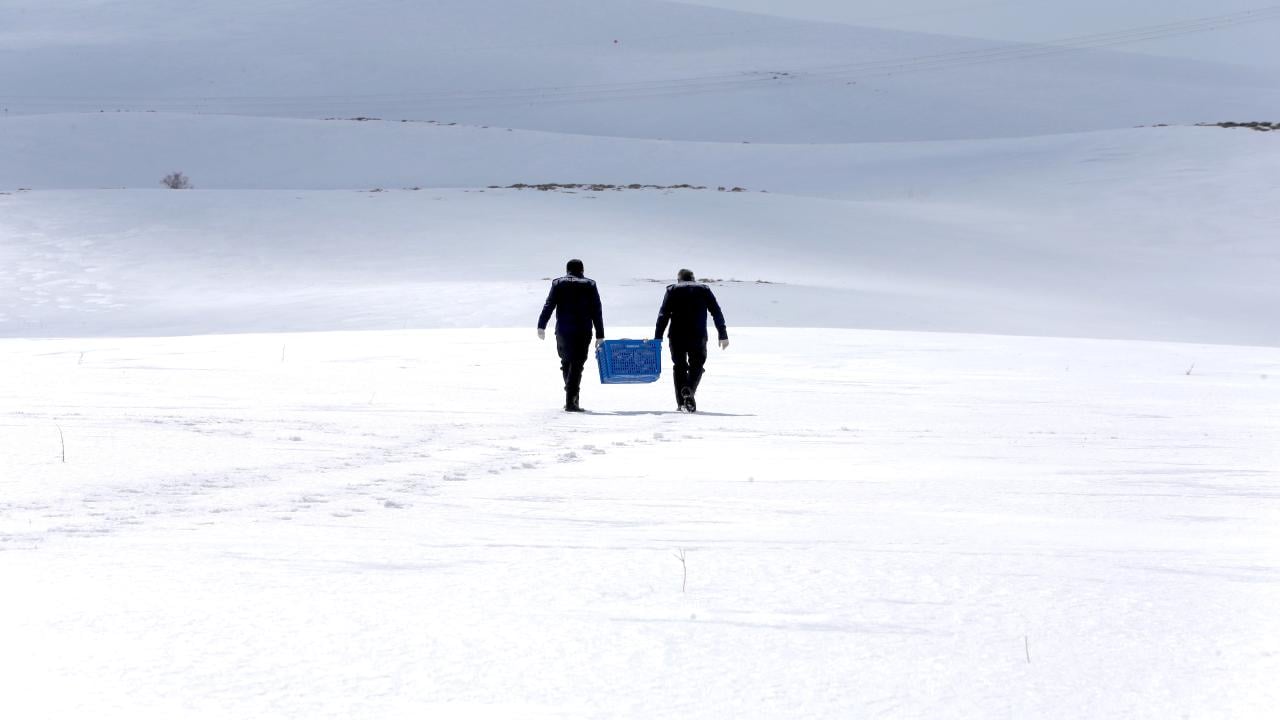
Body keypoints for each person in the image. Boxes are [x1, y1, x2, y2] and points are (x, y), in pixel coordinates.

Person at [653, 269, 728, 412]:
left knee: (679, 366)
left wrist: (658, 337)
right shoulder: (704, 290)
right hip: (698, 336)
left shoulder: (672, 290)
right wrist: (722, 334)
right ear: (693, 279)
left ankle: (681, 403)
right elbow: (716, 311)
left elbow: (663, 315)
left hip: (676, 336)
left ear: (678, 279)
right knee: (697, 365)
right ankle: (689, 390)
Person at [538, 259, 605, 412]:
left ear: (567, 269)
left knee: (566, 362)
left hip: (563, 330)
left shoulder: (558, 283)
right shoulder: (590, 284)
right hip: (583, 330)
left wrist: (541, 325)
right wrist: (600, 334)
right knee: (577, 364)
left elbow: (549, 305)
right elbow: (596, 310)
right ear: (582, 269)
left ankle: (571, 398)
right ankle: (571, 401)